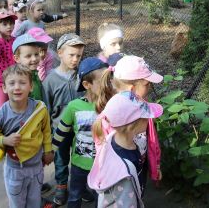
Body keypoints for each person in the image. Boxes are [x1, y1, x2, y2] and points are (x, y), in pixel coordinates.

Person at [0, 64, 54, 208]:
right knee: (17, 204)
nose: (17, 87)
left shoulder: (39, 109)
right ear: (4, 88)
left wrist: (47, 150)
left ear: (31, 87)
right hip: (15, 170)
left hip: (36, 167)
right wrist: (4, 140)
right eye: (12, 83)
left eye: (22, 83)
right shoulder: (1, 114)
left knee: (34, 202)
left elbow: (46, 131)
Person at [94, 55, 164, 193]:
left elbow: (152, 143)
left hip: (139, 167)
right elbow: (102, 156)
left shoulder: (142, 108)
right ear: (132, 89)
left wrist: (155, 167)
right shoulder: (112, 117)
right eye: (146, 83)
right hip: (119, 175)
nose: (150, 86)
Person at [88, 94, 163, 208]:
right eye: (146, 117)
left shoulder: (112, 138)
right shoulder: (125, 172)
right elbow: (127, 203)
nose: (150, 120)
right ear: (133, 126)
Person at [52, 57, 108, 207]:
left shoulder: (111, 105)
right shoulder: (73, 106)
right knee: (75, 195)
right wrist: (50, 152)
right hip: (79, 164)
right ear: (86, 84)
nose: (107, 85)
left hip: (103, 165)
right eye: (102, 81)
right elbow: (61, 131)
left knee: (101, 199)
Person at [42, 33, 86, 205]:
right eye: (71, 55)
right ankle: (61, 185)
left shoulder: (81, 77)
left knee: (79, 156)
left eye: (79, 56)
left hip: (79, 128)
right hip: (59, 129)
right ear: (60, 53)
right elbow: (46, 107)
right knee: (60, 158)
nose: (75, 59)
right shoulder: (50, 80)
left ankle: (79, 185)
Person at [12, 32, 47, 101]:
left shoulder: (34, 73)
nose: (34, 59)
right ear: (17, 58)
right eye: (28, 56)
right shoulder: (18, 81)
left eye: (36, 54)